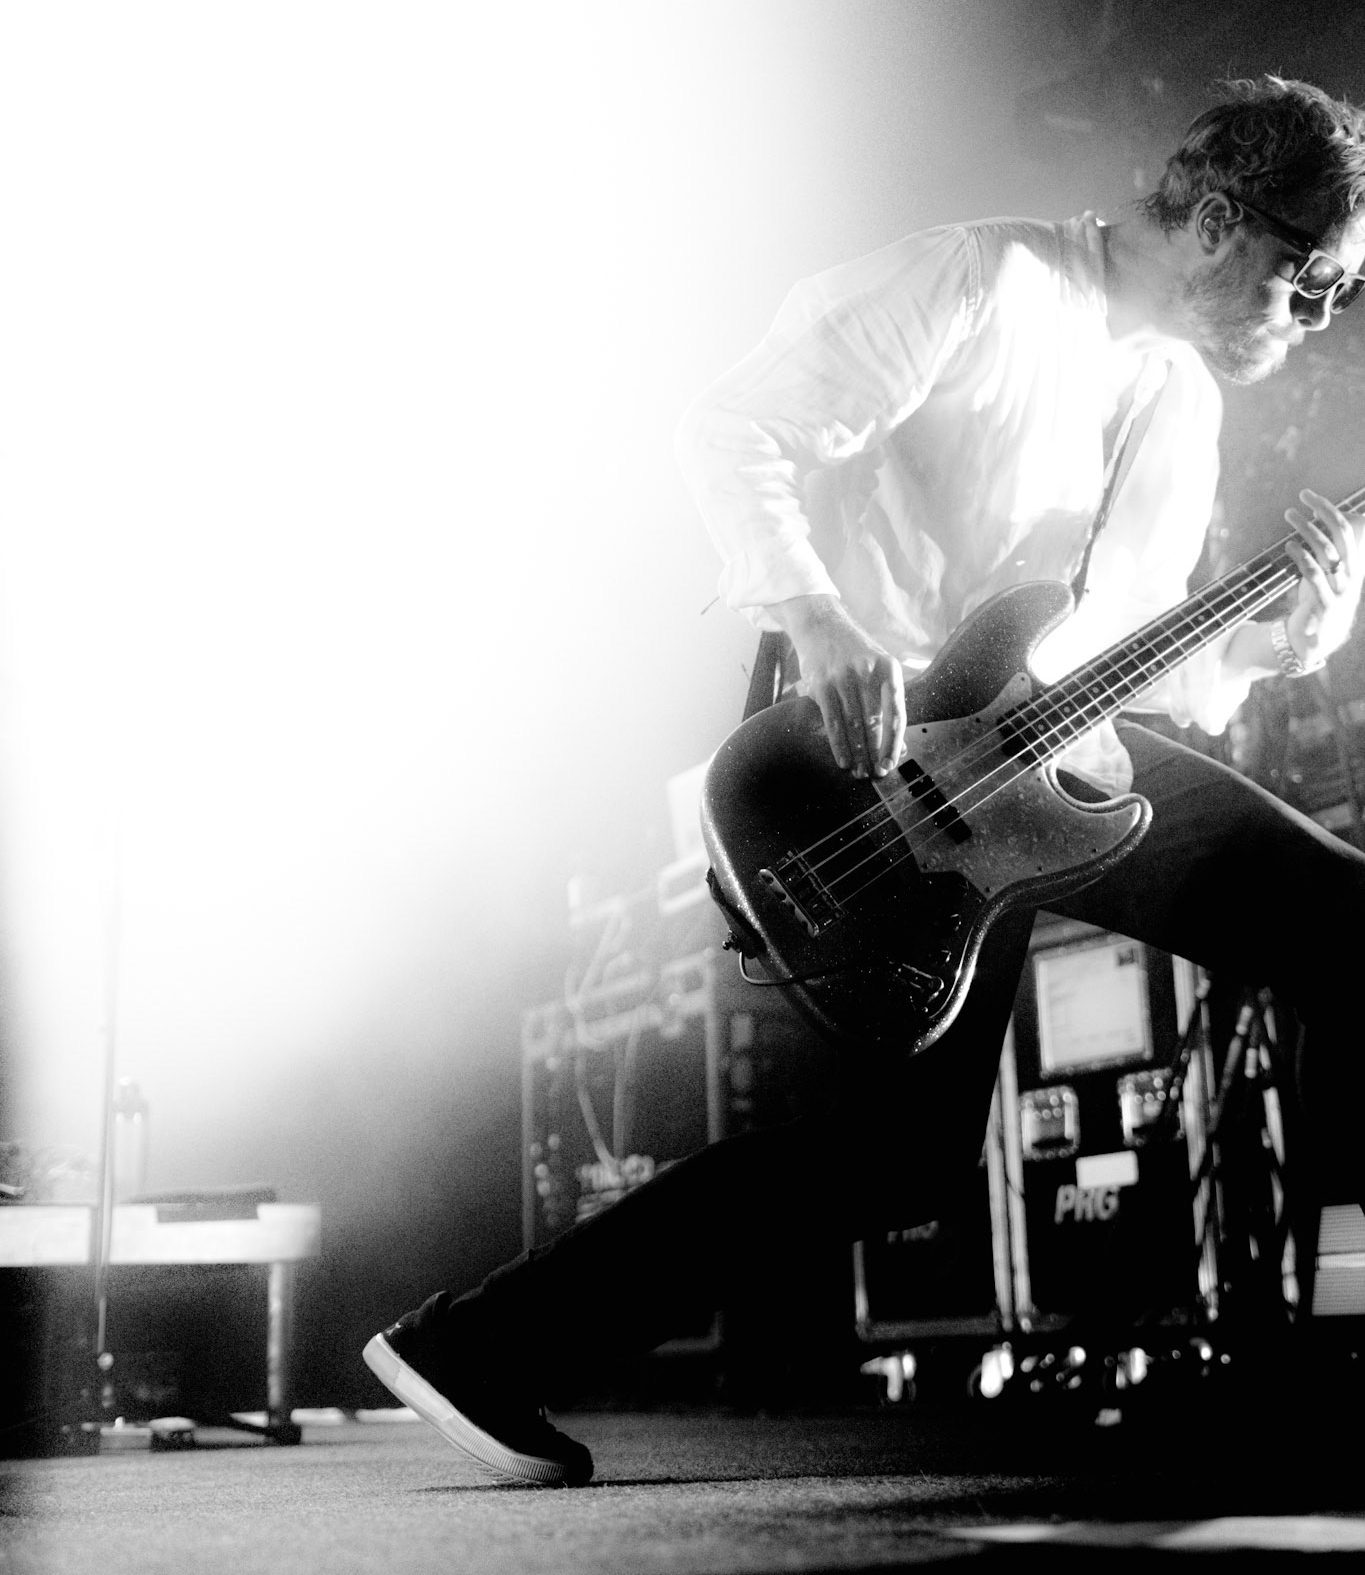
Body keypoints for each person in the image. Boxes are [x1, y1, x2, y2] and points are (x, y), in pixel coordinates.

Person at [363, 75, 1365, 1486]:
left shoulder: (1179, 402)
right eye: (1311, 276)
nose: (1316, 314)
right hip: (880, 778)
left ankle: (483, 1343)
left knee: (1336, 933)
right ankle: (481, 1346)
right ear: (1216, 221)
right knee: (903, 1155)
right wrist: (816, 615)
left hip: (1049, 775)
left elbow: (1139, 666)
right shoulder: (986, 279)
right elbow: (733, 429)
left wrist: (1283, 637)